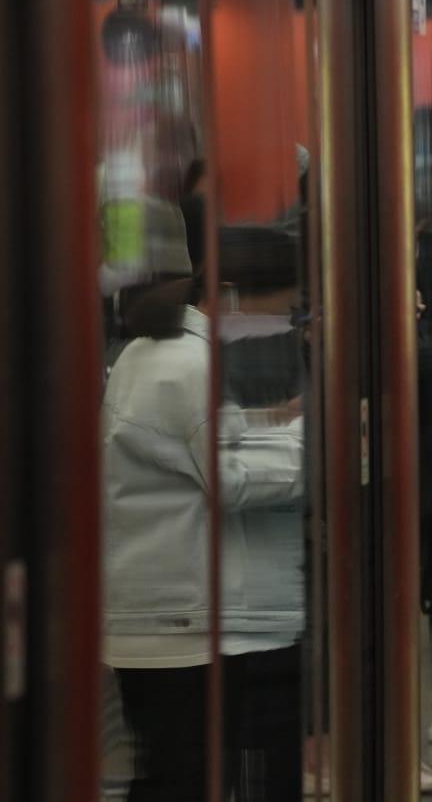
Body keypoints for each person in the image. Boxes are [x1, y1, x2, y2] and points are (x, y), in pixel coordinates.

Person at [103, 226, 306, 802]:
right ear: (235, 294)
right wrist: (316, 442)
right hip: (175, 617)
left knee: (176, 772)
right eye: (280, 305)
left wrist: (275, 422)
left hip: (163, 607)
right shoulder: (187, 364)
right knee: (182, 777)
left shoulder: (162, 352)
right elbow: (230, 477)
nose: (284, 320)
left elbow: (204, 447)